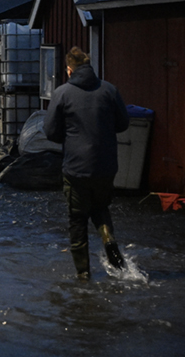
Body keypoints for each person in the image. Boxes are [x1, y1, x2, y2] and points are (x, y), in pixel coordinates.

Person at [43, 46, 129, 281]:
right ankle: (109, 241)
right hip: (106, 166)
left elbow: (50, 132)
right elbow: (123, 124)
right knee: (100, 208)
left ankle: (83, 274)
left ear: (69, 70)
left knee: (77, 218)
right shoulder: (109, 90)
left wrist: (69, 138)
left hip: (76, 168)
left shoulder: (62, 93)